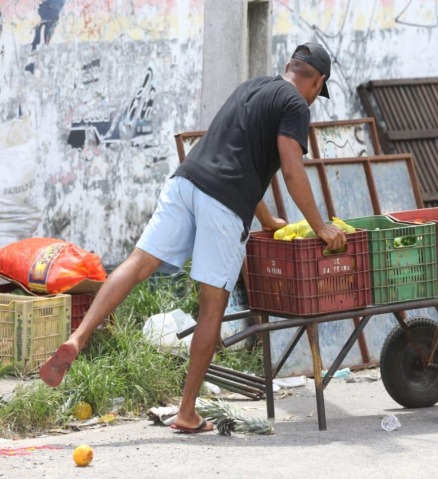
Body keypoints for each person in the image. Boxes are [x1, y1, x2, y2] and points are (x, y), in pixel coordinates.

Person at [39, 42, 347, 433]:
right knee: (212, 306)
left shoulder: (252, 87)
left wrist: (266, 218)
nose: (315, 98)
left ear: (289, 66)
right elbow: (290, 169)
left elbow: (244, 156)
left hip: (186, 182)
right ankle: (186, 413)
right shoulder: (296, 106)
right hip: (223, 202)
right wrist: (321, 226)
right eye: (319, 92)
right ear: (317, 81)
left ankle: (78, 338)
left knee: (138, 264)